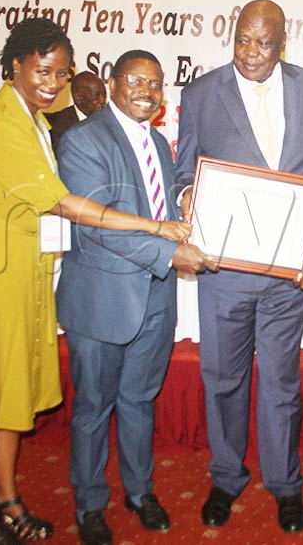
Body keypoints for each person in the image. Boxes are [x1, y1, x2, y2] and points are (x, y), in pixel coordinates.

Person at [0, 18, 196, 545]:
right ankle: (18, 510)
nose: (53, 81)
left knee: (22, 393)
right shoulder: (47, 130)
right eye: (43, 69)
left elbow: (168, 199)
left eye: (61, 72)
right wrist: (162, 238)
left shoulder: (40, 120)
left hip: (30, 271)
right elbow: (72, 208)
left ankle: (23, 499)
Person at [174, 0, 303, 533]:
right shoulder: (201, 93)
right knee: (221, 378)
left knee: (281, 381)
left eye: (263, 42)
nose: (250, 52)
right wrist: (185, 199)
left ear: (282, 43)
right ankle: (225, 478)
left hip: (287, 270)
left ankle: (285, 485)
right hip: (225, 267)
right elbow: (184, 170)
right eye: (243, 39)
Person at [55, 50, 219, 545]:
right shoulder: (84, 141)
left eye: (155, 83)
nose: (146, 90)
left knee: (139, 400)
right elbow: (98, 223)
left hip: (154, 301)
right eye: (135, 80)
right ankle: (89, 503)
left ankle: (139, 490)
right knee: (93, 406)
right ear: (111, 82)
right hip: (102, 299)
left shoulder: (161, 147)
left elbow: (168, 210)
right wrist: (168, 255)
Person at [45, 70, 107, 153]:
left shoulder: (108, 120)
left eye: (104, 94)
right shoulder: (59, 127)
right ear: (78, 98)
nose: (103, 101)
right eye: (96, 96)